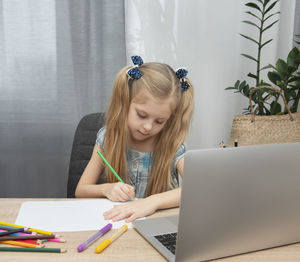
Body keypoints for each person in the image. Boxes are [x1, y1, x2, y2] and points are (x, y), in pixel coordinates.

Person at [75, 55, 194, 222]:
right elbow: (81, 190)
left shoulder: (172, 144)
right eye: (141, 115)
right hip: (118, 223)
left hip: (158, 224)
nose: (148, 127)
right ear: (124, 102)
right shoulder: (109, 138)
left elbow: (197, 189)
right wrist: (107, 189)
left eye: (159, 121)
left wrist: (152, 201)